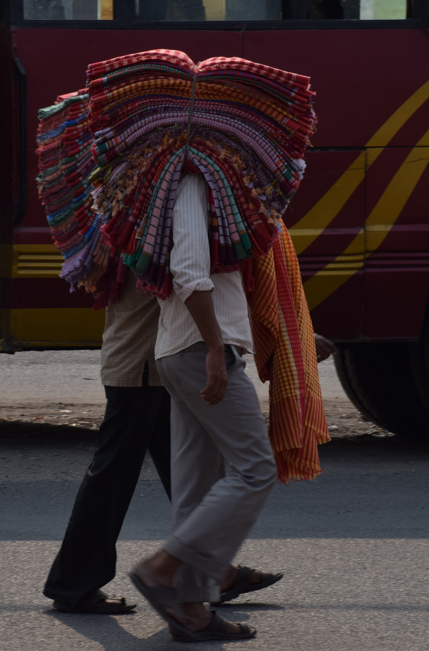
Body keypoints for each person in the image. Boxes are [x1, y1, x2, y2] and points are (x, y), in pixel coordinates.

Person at [43, 269, 285, 614]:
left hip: (152, 356)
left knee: (186, 471)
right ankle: (74, 583)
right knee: (116, 472)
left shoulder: (136, 214)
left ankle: (208, 572)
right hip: (144, 358)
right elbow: (190, 273)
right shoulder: (161, 216)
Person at [129, 172, 290, 642]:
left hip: (185, 349)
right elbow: (189, 271)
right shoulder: (191, 183)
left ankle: (191, 610)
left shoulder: (197, 183)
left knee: (196, 485)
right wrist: (217, 348)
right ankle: (163, 567)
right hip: (200, 350)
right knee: (255, 470)